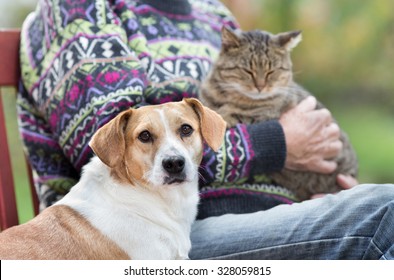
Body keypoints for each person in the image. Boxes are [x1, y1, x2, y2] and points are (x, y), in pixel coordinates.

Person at [17, 0, 394, 259]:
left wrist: (320, 189)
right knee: (384, 211)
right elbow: (112, 148)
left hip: (272, 212)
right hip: (149, 232)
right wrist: (279, 142)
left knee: (368, 210)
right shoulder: (80, 10)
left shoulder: (214, 13)